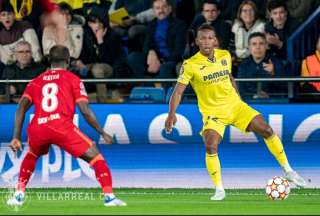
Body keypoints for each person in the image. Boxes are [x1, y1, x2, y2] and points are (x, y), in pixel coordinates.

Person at [164, 24, 306, 201]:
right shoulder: (190, 65)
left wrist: (238, 98)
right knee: (210, 145)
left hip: (235, 106)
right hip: (213, 112)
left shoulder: (224, 55)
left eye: (210, 38)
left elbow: (229, 77)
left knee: (267, 130)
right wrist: (171, 114)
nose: (207, 41)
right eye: (203, 38)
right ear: (197, 41)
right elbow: (178, 91)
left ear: (215, 40)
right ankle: (219, 189)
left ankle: (289, 171)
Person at [7, 45, 126, 207]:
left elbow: (21, 106)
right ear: (68, 61)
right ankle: (109, 197)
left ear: (49, 61)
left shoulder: (36, 81)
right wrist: (101, 131)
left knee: (32, 155)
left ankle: (19, 194)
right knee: (95, 156)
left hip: (38, 127)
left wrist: (15, 136)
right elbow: (85, 110)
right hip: (61, 126)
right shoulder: (73, 79)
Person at [237, 32, 286, 99]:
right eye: (254, 44)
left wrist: (274, 73)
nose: (258, 47)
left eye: (261, 44)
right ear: (249, 47)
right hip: (249, 103)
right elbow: (240, 88)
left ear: (266, 46)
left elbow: (284, 89)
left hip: (273, 103)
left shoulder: (276, 62)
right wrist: (252, 96)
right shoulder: (244, 65)